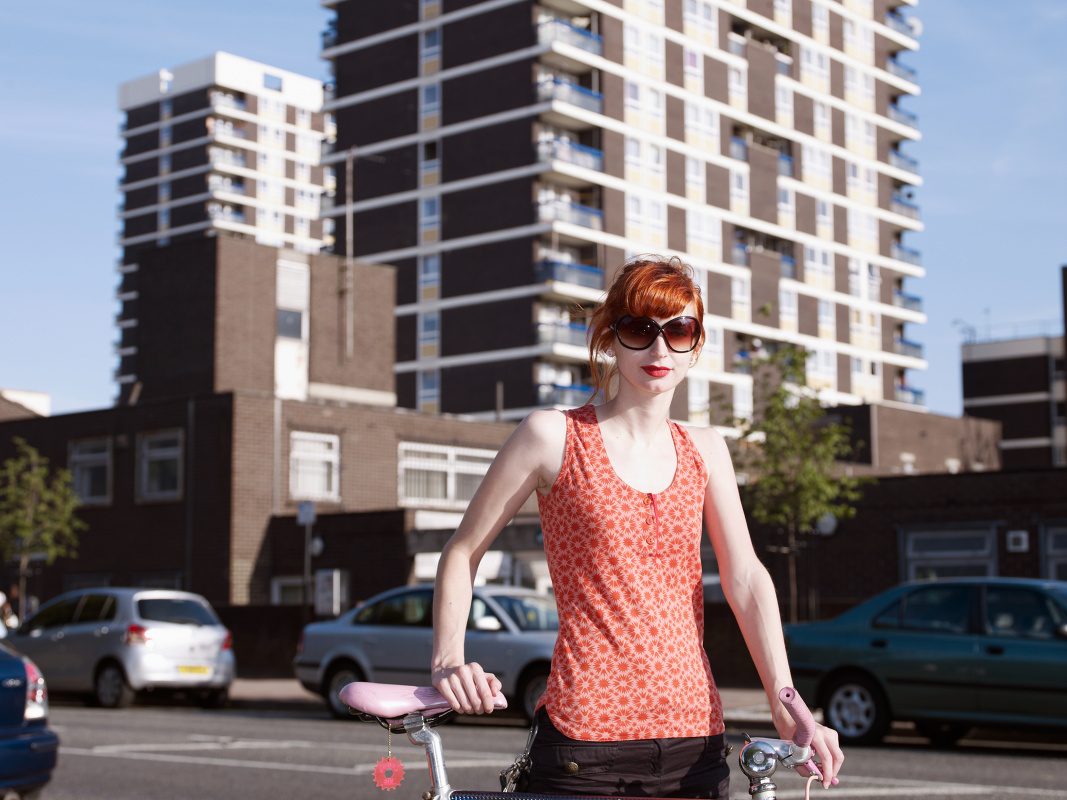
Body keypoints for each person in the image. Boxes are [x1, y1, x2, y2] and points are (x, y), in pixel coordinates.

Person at [431, 256, 843, 798]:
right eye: (638, 329)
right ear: (611, 337)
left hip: (697, 744)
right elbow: (462, 552)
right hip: (586, 747)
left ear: (695, 345)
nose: (658, 348)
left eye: (678, 330)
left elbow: (744, 578)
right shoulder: (553, 437)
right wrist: (447, 660)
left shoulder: (707, 450)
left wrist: (786, 700)